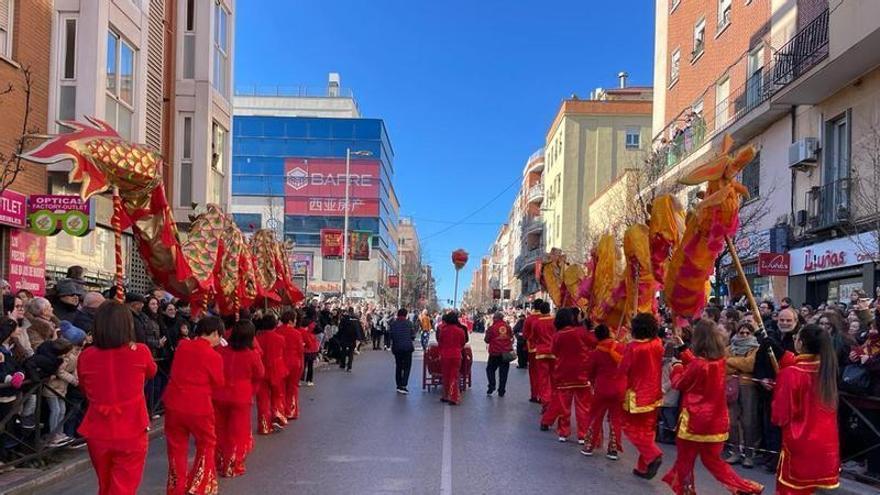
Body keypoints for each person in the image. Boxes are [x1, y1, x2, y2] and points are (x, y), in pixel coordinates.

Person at [661, 319, 764, 494]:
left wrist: (677, 366)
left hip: (694, 421)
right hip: (716, 421)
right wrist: (683, 349)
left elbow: (680, 383)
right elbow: (700, 365)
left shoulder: (698, 365)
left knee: (685, 461)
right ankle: (744, 488)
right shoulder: (721, 361)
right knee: (714, 462)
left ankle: (686, 490)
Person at [77, 301, 157, 495]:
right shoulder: (140, 351)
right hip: (132, 427)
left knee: (105, 486)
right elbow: (152, 372)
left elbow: (83, 388)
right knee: (123, 487)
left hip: (97, 428)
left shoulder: (86, 355)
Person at [772, 324, 840, 494]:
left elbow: (779, 416)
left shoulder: (790, 374)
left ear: (800, 343)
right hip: (826, 444)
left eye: (796, 338)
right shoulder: (827, 369)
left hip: (798, 443)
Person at [163, 316, 224, 495]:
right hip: (199, 405)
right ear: (214, 333)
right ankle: (200, 484)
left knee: (176, 448)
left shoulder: (183, 346)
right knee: (206, 444)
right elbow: (219, 382)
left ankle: (176, 488)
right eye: (218, 336)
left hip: (174, 403)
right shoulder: (214, 356)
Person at [213, 319, 264, 477]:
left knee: (220, 429)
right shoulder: (252, 355)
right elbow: (260, 374)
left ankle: (219, 461)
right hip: (241, 395)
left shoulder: (221, 351)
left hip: (220, 394)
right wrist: (252, 390)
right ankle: (232, 464)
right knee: (237, 432)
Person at [619, 312, 665, 479]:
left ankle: (652, 454)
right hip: (655, 395)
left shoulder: (633, 348)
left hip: (637, 396)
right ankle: (643, 466)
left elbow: (623, 369)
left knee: (630, 428)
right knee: (647, 431)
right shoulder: (658, 343)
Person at [540, 308, 595, 442]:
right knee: (583, 406)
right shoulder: (581, 332)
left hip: (563, 374)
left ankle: (563, 432)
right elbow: (594, 343)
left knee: (564, 406)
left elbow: (554, 351)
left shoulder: (558, 335)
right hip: (582, 373)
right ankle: (582, 434)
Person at [582, 323, 626, 459]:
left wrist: (592, 382)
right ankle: (613, 449)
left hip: (602, 388)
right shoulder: (621, 347)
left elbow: (590, 371)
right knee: (616, 419)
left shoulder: (596, 352)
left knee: (595, 417)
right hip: (620, 388)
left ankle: (589, 446)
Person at [725, 321, 761, 467]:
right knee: (732, 421)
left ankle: (749, 454)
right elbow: (724, 365)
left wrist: (732, 362)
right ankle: (735, 452)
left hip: (748, 387)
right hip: (731, 387)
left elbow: (750, 365)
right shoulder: (729, 347)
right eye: (742, 332)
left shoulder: (755, 348)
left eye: (747, 333)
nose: (744, 335)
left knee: (748, 421)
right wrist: (739, 364)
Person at [255, 314, 288, 433]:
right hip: (277, 369)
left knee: (263, 399)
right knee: (278, 396)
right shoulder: (280, 338)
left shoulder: (258, 339)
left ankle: (264, 426)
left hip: (262, 369)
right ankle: (277, 417)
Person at [277, 311, 305, 419]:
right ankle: (291, 411)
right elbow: (300, 350)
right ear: (290, 320)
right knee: (292, 388)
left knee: (281, 389)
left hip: (281, 362)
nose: (296, 321)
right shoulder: (296, 333)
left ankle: (281, 410)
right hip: (294, 363)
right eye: (295, 319)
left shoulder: (277, 331)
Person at [437, 312, 468, 405]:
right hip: (456, 355)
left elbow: (440, 342)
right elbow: (463, 342)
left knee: (445, 376)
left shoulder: (443, 330)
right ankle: (454, 397)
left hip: (445, 355)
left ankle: (445, 395)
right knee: (454, 376)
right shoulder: (460, 331)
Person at [531, 301, 557, 407]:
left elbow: (533, 337)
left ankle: (545, 400)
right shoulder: (554, 321)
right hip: (553, 352)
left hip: (541, 353)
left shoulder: (536, 323)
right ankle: (553, 399)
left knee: (543, 378)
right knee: (553, 377)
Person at [484, 312, 514, 397]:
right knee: (504, 372)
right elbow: (511, 336)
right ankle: (501, 390)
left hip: (495, 352)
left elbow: (487, 340)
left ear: (495, 318)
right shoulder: (508, 327)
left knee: (490, 369)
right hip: (506, 353)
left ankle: (492, 385)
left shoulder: (492, 328)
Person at [389, 308, 416, 394]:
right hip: (407, 348)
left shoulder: (393, 324)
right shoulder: (409, 323)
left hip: (397, 348)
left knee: (399, 366)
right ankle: (404, 385)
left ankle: (399, 385)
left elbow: (391, 335)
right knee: (407, 367)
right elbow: (413, 335)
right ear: (406, 315)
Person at [522, 300, 544, 402]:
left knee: (534, 373)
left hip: (532, 349)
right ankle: (543, 395)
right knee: (544, 374)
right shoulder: (548, 318)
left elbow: (525, 335)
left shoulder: (529, 319)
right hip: (547, 350)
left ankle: (534, 394)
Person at [337, 308, 361, 372]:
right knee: (351, 352)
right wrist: (359, 338)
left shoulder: (344, 319)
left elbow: (340, 329)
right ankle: (349, 366)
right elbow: (359, 329)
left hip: (344, 337)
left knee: (343, 351)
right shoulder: (356, 319)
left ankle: (343, 364)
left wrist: (339, 337)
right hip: (352, 338)